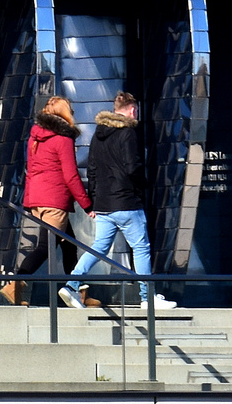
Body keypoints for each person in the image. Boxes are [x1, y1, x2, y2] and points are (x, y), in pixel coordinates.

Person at [63, 91, 176, 309]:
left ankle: (71, 285)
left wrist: (94, 200)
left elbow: (92, 170)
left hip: (104, 204)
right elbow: (132, 167)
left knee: (98, 248)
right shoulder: (128, 133)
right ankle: (146, 297)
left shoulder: (98, 135)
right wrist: (143, 187)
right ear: (132, 110)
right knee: (141, 248)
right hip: (126, 202)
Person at [2, 95, 87, 305]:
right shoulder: (63, 138)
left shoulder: (36, 137)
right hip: (54, 201)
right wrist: (87, 203)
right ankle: (15, 285)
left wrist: (30, 201)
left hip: (38, 200)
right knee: (45, 247)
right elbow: (70, 175)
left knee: (69, 245)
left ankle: (78, 292)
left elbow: (31, 170)